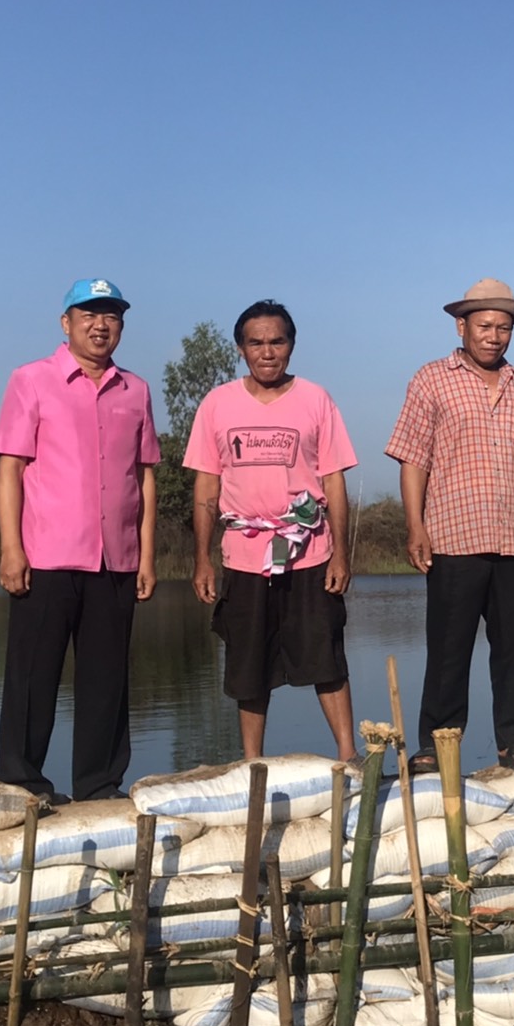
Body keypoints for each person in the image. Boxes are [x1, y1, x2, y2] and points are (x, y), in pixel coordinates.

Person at [0, 277, 160, 803]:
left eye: (111, 316)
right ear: (66, 323)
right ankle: (23, 782)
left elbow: (145, 475)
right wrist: (11, 549)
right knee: (33, 675)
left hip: (116, 558)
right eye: (89, 314)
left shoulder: (135, 391)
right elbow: (10, 469)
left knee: (107, 679)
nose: (100, 325)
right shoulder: (31, 380)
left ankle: (99, 783)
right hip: (47, 556)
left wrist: (147, 556)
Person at [386, 278, 514, 775]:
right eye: (484, 326)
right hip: (453, 537)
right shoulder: (431, 379)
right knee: (448, 649)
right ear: (462, 326)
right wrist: (416, 526)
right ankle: (438, 742)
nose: (494, 336)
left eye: (503, 328)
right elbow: (413, 459)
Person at [185, 300, 359, 762]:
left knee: (325, 655)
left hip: (309, 552)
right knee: (249, 664)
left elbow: (334, 480)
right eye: (256, 343)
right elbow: (206, 484)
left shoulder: (316, 400)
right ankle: (252, 763)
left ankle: (348, 755)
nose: (267, 352)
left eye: (277, 342)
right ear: (241, 349)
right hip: (245, 556)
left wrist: (341, 554)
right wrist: (202, 558)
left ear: (291, 345)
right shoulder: (217, 404)